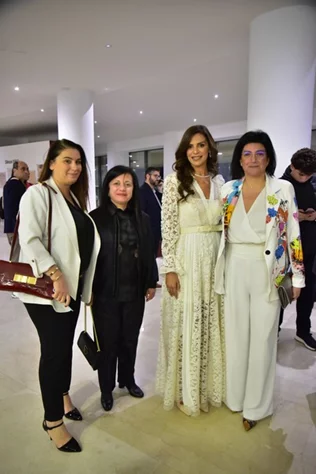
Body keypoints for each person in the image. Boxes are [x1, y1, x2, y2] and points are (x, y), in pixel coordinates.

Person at [215, 130, 305, 431]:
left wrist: (298, 278)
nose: (253, 159)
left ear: (268, 158)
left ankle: (256, 406)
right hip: (234, 266)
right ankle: (236, 398)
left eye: (260, 153)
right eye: (247, 154)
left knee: (264, 338)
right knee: (236, 336)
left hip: (270, 269)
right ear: (239, 158)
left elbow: (293, 234)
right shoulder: (228, 189)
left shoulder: (282, 189)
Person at [17, 139, 100, 453]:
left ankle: (62, 395)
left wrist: (85, 288)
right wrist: (56, 275)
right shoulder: (38, 194)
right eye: (67, 160)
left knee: (64, 347)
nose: (75, 167)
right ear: (51, 163)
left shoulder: (73, 201)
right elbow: (30, 239)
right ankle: (52, 421)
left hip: (72, 291)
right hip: (48, 290)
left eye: (78, 162)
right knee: (53, 352)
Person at [156, 124, 225, 416]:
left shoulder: (222, 183)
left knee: (210, 321)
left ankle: (207, 387)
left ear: (209, 148)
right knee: (187, 323)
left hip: (214, 259)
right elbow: (168, 227)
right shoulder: (174, 182)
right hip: (187, 257)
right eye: (190, 146)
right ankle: (185, 393)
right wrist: (170, 268)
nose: (196, 151)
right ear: (184, 151)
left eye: (200, 145)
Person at [90, 165, 158, 412]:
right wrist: (87, 291)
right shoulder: (95, 218)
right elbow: (87, 258)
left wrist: (151, 281)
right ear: (108, 188)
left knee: (130, 339)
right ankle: (106, 389)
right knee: (108, 343)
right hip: (105, 292)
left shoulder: (143, 218)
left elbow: (149, 252)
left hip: (134, 290)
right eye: (116, 183)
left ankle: (127, 379)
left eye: (127, 184)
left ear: (133, 189)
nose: (122, 188)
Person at [279, 148, 316, 350]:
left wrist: (312, 215)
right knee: (281, 292)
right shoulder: (280, 185)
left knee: (308, 293)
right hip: (285, 250)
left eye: (309, 175)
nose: (305, 178)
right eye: (301, 174)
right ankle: (273, 332)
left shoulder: (311, 184)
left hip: (309, 246)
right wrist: (295, 217)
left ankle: (303, 331)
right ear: (292, 166)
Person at [3, 160, 29, 245]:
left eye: (27, 169)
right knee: (19, 257)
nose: (26, 172)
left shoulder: (10, 184)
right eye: (23, 169)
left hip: (13, 228)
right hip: (17, 229)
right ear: (14, 171)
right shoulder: (16, 185)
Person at [139, 167, 162, 257]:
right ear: (148, 176)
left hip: (156, 232)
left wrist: (160, 191)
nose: (158, 179)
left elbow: (160, 206)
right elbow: (141, 212)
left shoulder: (155, 192)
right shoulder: (142, 191)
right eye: (155, 176)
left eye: (159, 176)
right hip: (148, 232)